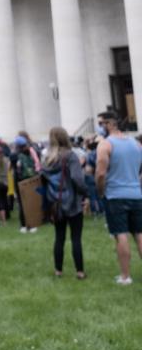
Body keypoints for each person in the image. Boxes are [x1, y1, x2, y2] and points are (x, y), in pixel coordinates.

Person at [95, 111, 142, 285]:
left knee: (121, 234)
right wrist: (137, 182)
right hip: (136, 194)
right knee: (139, 233)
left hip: (115, 195)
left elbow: (100, 173)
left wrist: (100, 191)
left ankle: (125, 276)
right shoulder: (136, 144)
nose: (100, 127)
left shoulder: (106, 145)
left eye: (101, 124)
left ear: (110, 124)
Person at [41, 127, 86, 279]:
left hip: (55, 202)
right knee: (76, 238)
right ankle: (79, 271)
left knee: (59, 237)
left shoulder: (47, 158)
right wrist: (85, 193)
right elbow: (77, 179)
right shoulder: (70, 156)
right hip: (72, 201)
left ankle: (58, 270)